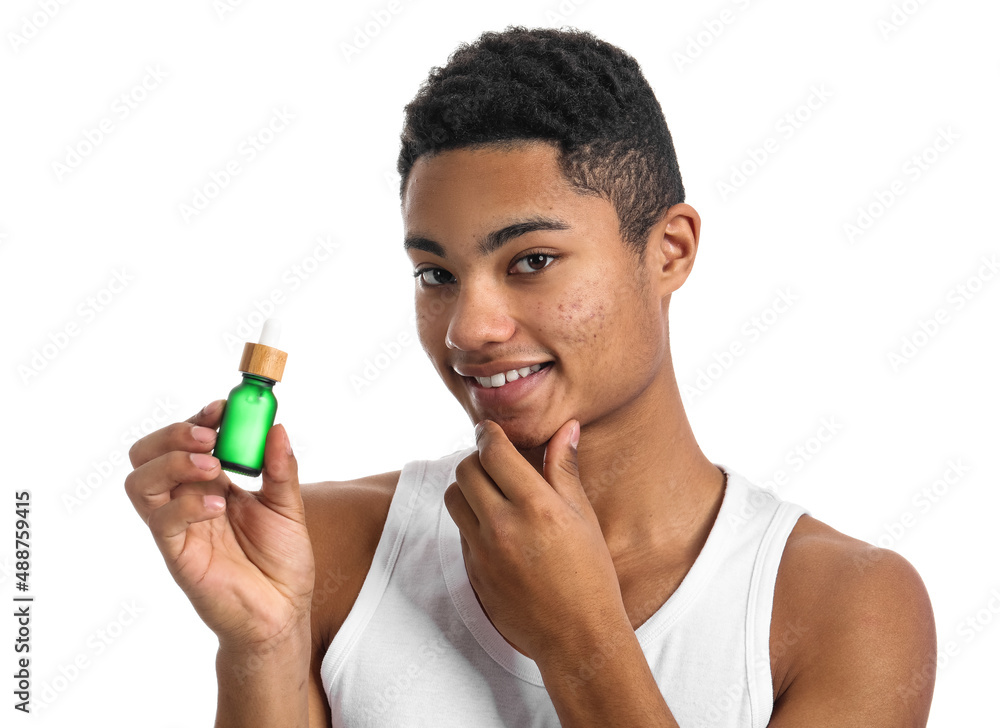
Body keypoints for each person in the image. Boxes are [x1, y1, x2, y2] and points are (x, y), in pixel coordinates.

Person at [124, 25, 937, 727]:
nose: (469, 328)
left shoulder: (847, 607)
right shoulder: (328, 552)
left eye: (533, 261)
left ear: (671, 250)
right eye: (435, 274)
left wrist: (582, 642)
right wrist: (260, 644)